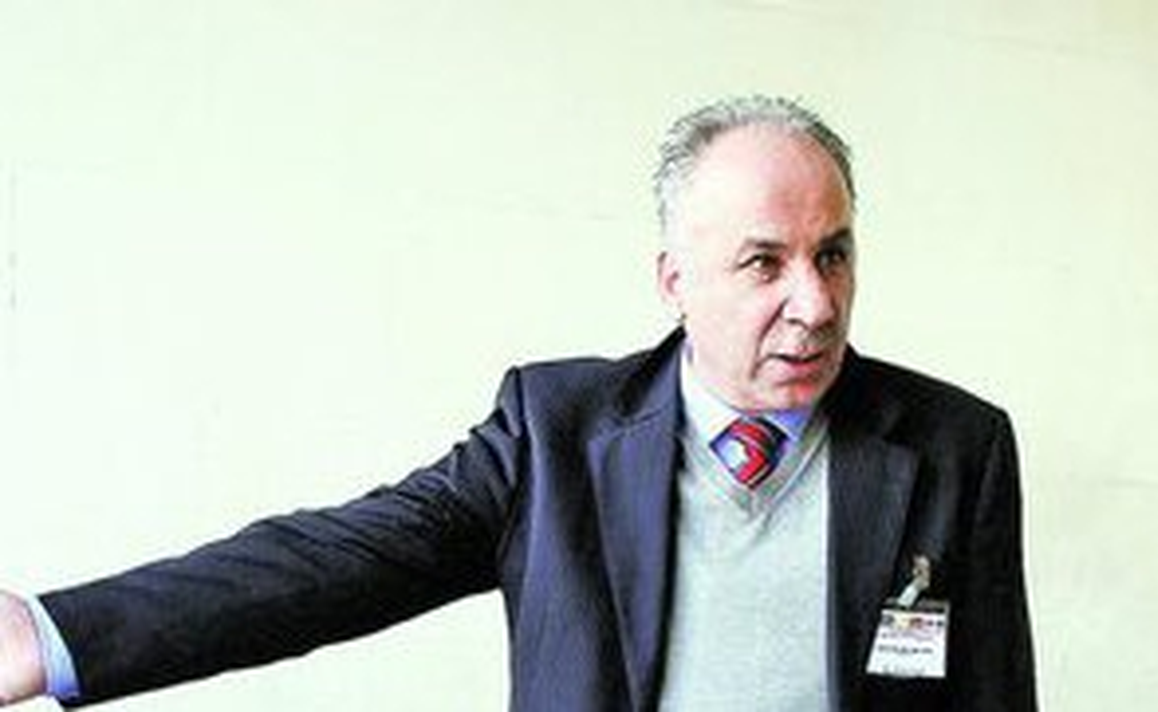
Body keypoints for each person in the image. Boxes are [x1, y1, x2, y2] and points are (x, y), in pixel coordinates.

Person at [0, 95, 1036, 711]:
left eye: (834, 254)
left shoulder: (956, 446)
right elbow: (333, 566)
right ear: (674, 280)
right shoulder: (559, 434)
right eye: (764, 262)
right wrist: (51, 635)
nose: (815, 303)